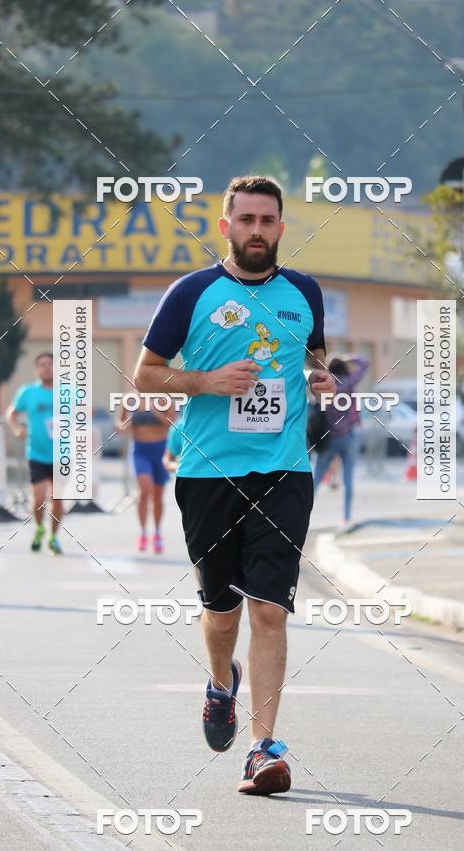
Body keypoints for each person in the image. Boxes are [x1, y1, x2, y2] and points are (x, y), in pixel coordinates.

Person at [134, 175, 334, 796]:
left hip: (283, 472)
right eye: (244, 220)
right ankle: (222, 683)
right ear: (225, 227)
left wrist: (320, 377)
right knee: (221, 615)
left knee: (269, 609)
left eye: (267, 220)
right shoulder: (191, 293)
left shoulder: (304, 292)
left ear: (280, 227)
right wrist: (206, 381)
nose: (256, 230)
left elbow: (315, 357)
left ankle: (263, 747)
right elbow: (145, 377)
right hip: (206, 473)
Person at [5, 351, 63, 554]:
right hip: (36, 453)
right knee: (39, 500)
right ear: (37, 369)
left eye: (50, 364)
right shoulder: (27, 392)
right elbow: (11, 413)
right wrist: (16, 428)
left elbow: (85, 411)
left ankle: (54, 537)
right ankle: (39, 528)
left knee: (57, 500)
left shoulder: (67, 390)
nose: (47, 367)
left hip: (61, 455)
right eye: (42, 364)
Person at [312, 354, 369, 526]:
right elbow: (365, 363)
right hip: (349, 437)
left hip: (329, 439)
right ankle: (346, 516)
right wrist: (349, 357)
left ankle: (302, 512)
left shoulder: (327, 387)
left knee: (316, 479)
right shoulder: (349, 383)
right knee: (348, 480)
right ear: (344, 368)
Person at [115, 397, 174, 553]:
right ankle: (142, 533)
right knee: (144, 490)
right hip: (140, 451)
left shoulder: (164, 399)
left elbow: (172, 424)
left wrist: (154, 410)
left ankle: (157, 533)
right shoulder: (130, 400)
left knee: (157, 496)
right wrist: (124, 426)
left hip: (160, 449)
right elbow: (120, 423)